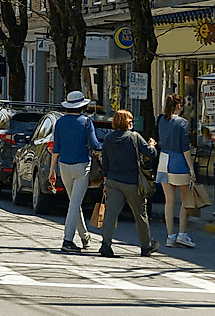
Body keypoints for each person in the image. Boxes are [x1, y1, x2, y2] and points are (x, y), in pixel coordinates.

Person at [98, 109, 158, 258]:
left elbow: (104, 160)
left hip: (113, 180)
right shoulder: (134, 137)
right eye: (130, 120)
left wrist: (105, 178)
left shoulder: (108, 138)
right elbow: (151, 154)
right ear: (126, 123)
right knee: (140, 214)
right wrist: (151, 145)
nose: (132, 123)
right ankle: (146, 246)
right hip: (132, 182)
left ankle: (106, 244)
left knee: (111, 214)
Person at [49, 90, 101, 253]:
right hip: (81, 166)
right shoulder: (86, 122)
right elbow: (95, 144)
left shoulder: (60, 122)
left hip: (63, 166)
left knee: (74, 203)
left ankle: (85, 237)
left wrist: (52, 170)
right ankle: (67, 239)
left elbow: (56, 148)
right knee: (74, 204)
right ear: (82, 106)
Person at [157, 93, 197, 249]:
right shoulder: (182, 122)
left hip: (164, 160)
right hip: (179, 161)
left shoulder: (160, 119)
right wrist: (191, 168)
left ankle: (170, 236)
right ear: (179, 106)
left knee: (169, 201)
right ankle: (182, 233)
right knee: (186, 199)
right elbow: (185, 147)